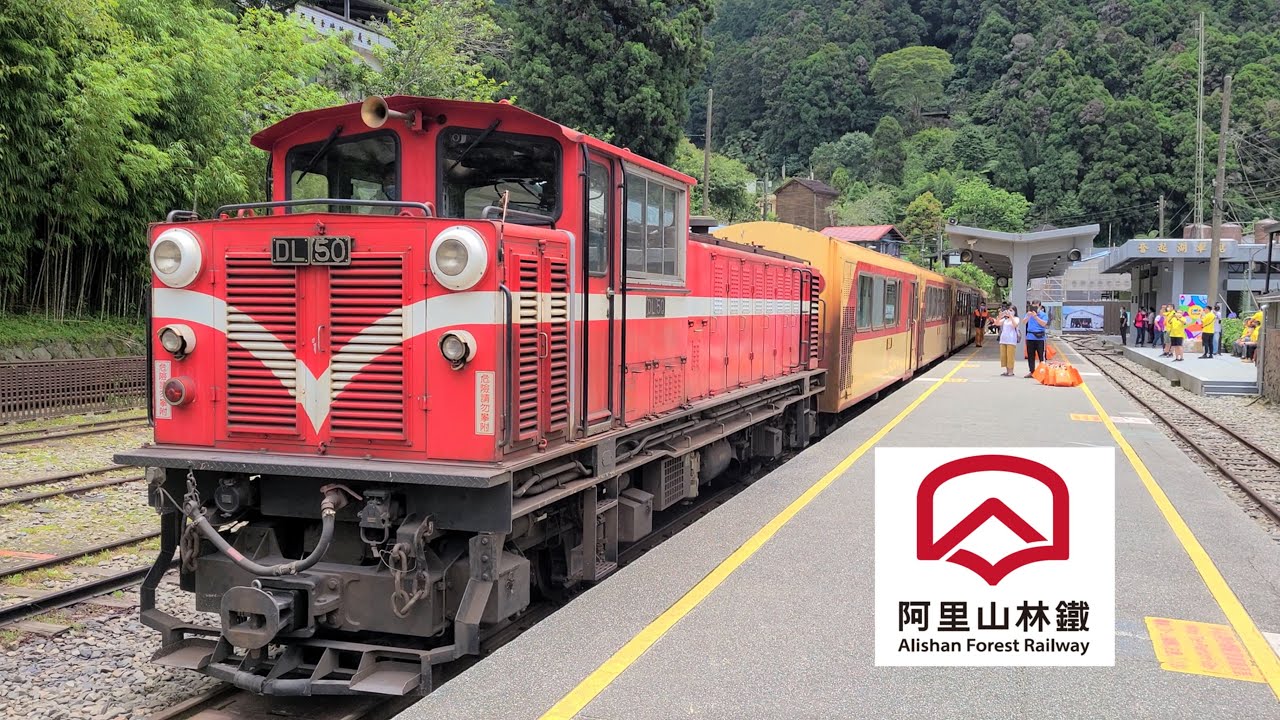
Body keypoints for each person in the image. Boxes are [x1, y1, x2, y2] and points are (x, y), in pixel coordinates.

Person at [1023, 300, 1049, 377]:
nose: (1034, 308)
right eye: (1033, 306)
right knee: (1030, 355)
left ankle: (1043, 372)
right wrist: (1028, 316)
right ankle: (1032, 371)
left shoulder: (1043, 314)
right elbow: (1023, 322)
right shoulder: (1028, 314)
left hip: (1040, 338)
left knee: (1041, 356)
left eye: (1036, 307)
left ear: (1040, 307)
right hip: (1030, 337)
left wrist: (1036, 317)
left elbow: (1043, 324)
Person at [997, 306, 1021, 376]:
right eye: (1008, 310)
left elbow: (1015, 325)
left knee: (1010, 356)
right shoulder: (1005, 320)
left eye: (1011, 310)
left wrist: (1011, 316)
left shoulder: (1016, 319)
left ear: (1015, 312)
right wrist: (1000, 316)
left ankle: (1011, 371)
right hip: (1003, 339)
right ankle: (1007, 371)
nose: (1009, 312)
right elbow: (997, 323)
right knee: (1004, 356)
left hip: (1011, 340)